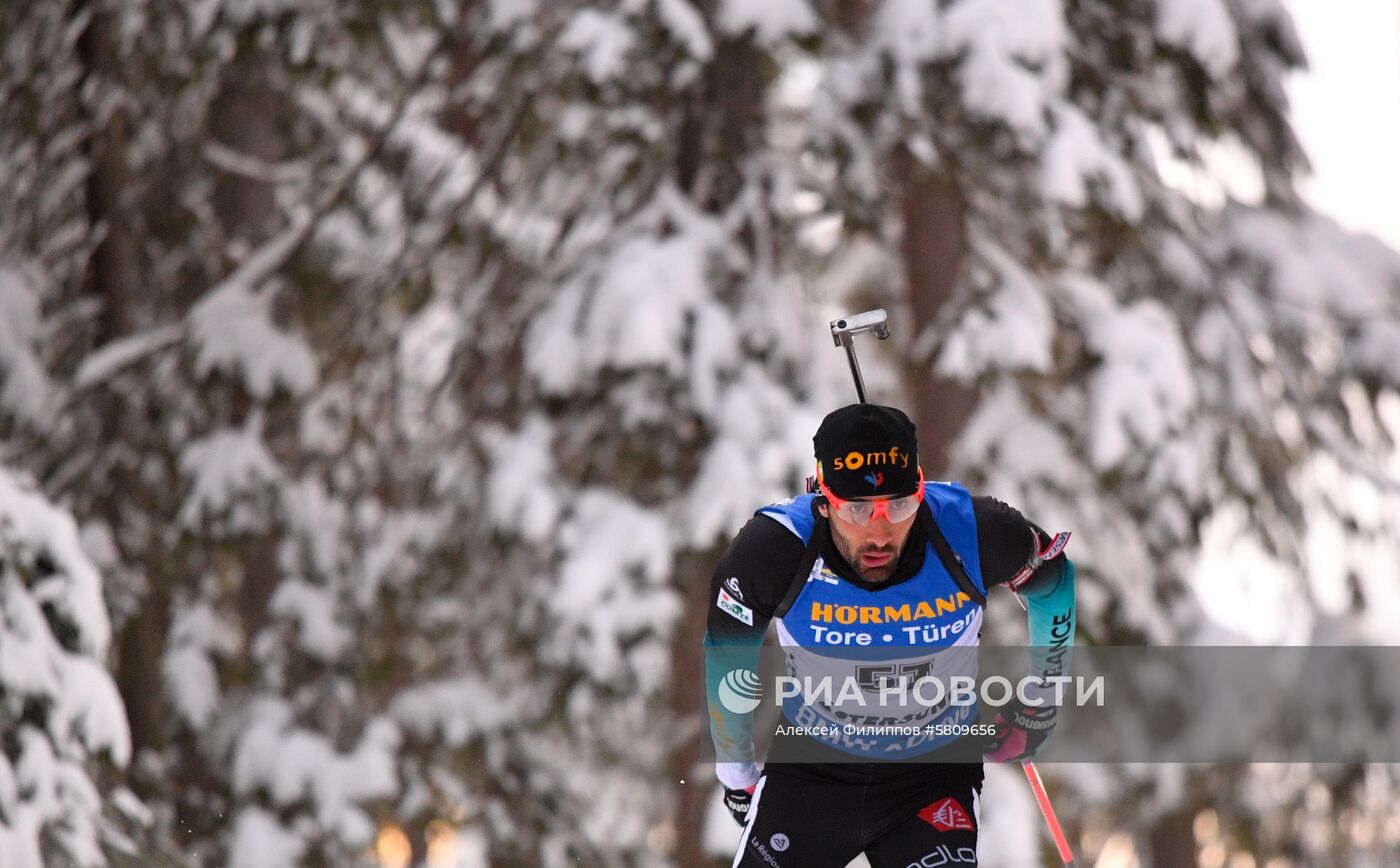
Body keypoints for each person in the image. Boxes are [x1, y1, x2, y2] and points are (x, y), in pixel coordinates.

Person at [704, 403, 1076, 867]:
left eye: (898, 506)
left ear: (920, 491)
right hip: (812, 776)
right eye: (857, 510)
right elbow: (727, 661)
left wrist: (1041, 700)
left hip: (932, 778)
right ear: (822, 499)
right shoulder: (773, 551)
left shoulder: (971, 532)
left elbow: (1054, 583)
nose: (879, 533)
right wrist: (736, 772)